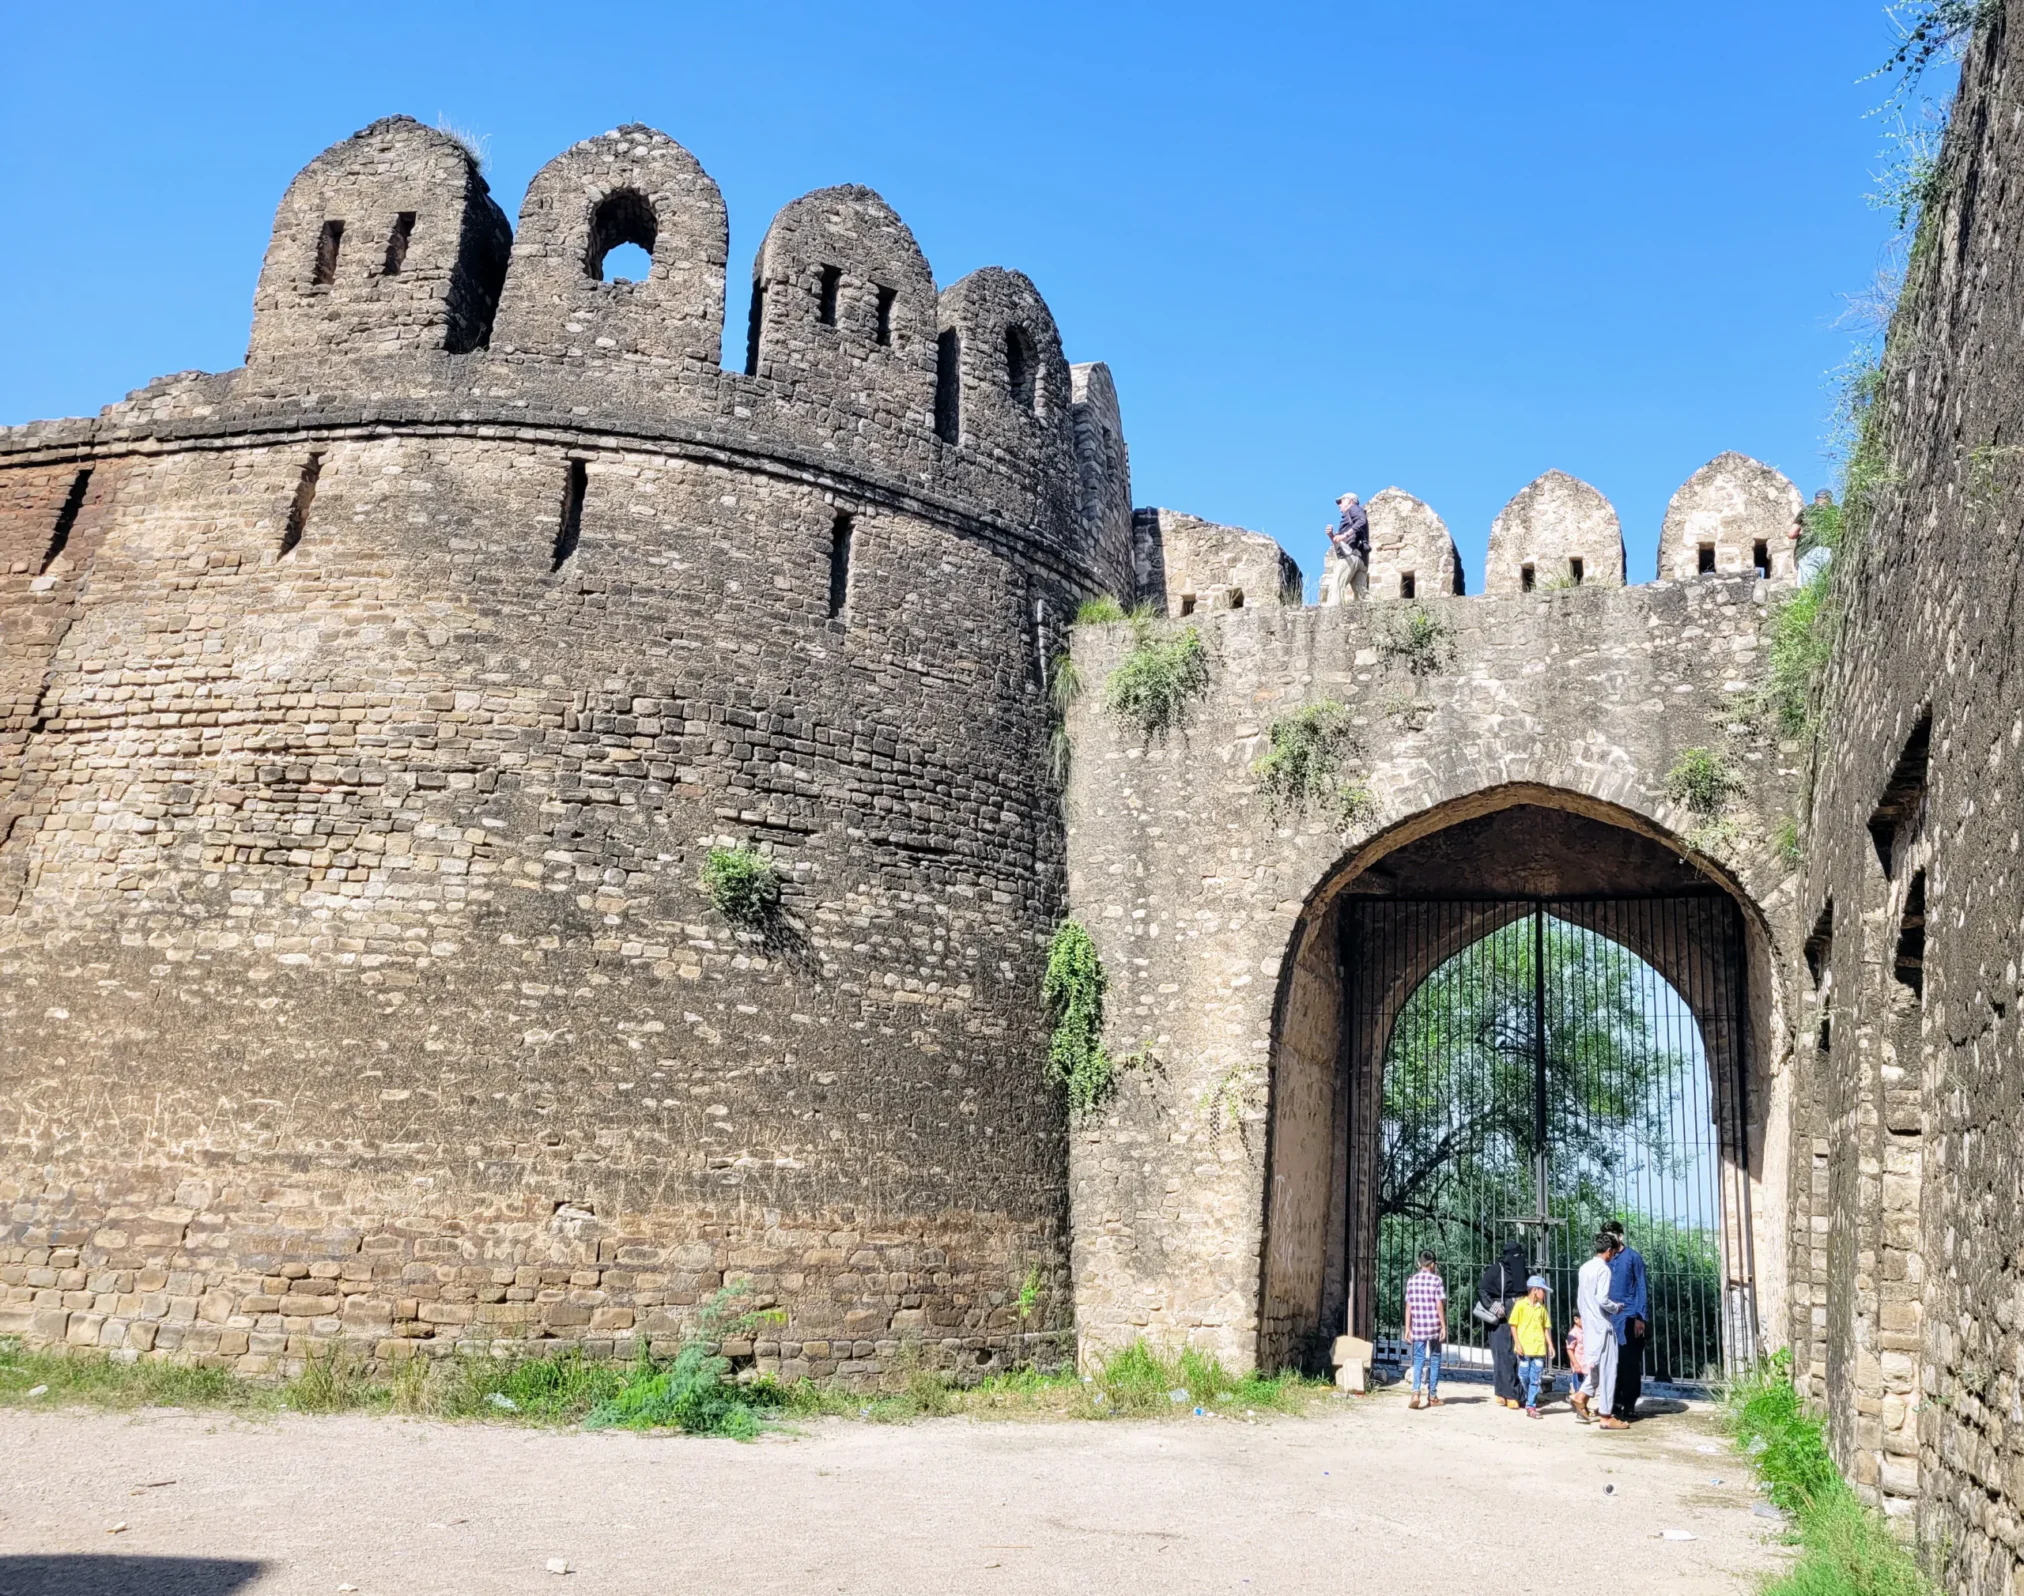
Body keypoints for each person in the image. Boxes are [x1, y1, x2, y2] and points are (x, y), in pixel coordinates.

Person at [1576, 1230, 1625, 1430]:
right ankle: (1606, 1415)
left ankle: (1581, 1396)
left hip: (1589, 1323)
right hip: (1602, 1325)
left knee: (1596, 1368)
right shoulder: (1604, 1269)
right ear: (1608, 1251)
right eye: (1612, 1252)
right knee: (1608, 1370)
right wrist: (1617, 1307)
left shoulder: (1584, 1267)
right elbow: (1602, 1299)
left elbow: (1581, 1298)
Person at [1602, 1219, 1649, 1425]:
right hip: (1608, 1318)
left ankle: (1629, 1405)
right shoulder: (1604, 1258)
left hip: (1629, 1317)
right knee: (1609, 1363)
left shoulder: (1633, 1258)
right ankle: (1611, 1405)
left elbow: (1641, 1287)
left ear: (1620, 1236)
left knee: (1629, 1364)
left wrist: (1640, 1317)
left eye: (1612, 1235)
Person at [1476, 1239, 1530, 1409]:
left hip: (1519, 1313)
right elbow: (1482, 1289)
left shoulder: (1523, 1270)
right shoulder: (1496, 1270)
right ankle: (1511, 1394)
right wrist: (1493, 1305)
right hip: (1500, 1316)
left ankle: (1503, 1391)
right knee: (1503, 1354)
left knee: (1514, 1354)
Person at [1402, 1248, 1447, 1410]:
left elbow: (1408, 1305)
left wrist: (1407, 1327)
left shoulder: (1411, 1280)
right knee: (1435, 1358)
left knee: (1419, 1358)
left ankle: (1415, 1392)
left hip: (1418, 1326)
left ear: (1419, 1263)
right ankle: (1432, 1395)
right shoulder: (1437, 1281)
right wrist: (1443, 1325)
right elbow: (1439, 1304)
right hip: (1433, 1325)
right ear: (1433, 1264)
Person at [1507, 1275, 1555, 1418]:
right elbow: (1513, 1325)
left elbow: (1546, 1328)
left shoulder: (1542, 1309)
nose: (1544, 1294)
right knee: (1524, 1377)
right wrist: (1517, 1342)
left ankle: (1531, 1405)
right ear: (1535, 1290)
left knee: (1535, 1378)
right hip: (1524, 1348)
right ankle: (1530, 1398)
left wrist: (1550, 1345)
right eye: (1542, 1291)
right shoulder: (1520, 1305)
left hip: (1539, 1349)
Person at [1322, 492, 1370, 605]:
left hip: (1351, 557)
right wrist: (1332, 536)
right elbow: (1339, 545)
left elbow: (1362, 520)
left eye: (1341, 501)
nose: (1339, 505)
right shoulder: (1349, 519)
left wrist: (1344, 535)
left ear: (1350, 501)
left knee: (1336, 585)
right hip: (1360, 560)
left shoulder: (1354, 509)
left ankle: (1331, 616)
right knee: (1362, 595)